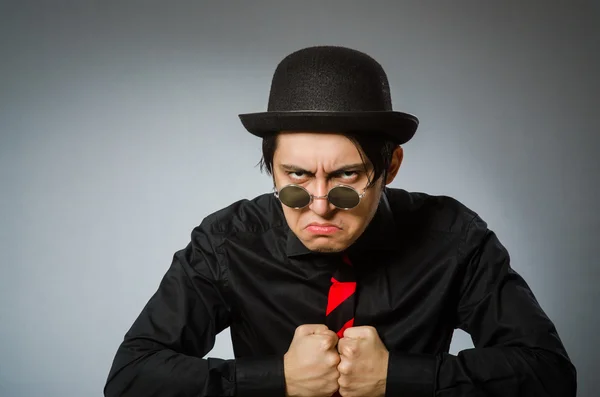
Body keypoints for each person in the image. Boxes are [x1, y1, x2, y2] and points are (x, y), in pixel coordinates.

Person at [103, 46, 576, 397]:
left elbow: (549, 374)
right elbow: (131, 377)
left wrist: (401, 376)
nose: (321, 205)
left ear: (390, 168)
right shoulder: (227, 242)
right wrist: (276, 379)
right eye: (296, 177)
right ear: (273, 169)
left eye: (347, 177)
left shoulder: (453, 237)